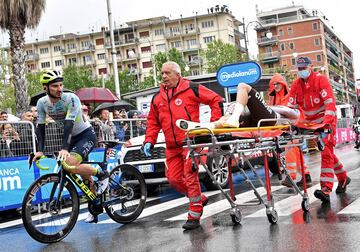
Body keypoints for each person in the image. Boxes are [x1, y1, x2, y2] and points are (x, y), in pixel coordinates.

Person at [143, 61, 224, 230]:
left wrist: (213, 125)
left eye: (167, 73)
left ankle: (194, 215)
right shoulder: (157, 98)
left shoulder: (191, 88)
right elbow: (152, 121)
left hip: (190, 142)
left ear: (177, 75)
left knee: (190, 176)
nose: (164, 76)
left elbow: (216, 100)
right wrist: (149, 140)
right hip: (172, 146)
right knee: (173, 179)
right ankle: (199, 199)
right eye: (162, 73)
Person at [34, 70, 109, 223]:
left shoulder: (71, 98)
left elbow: (69, 124)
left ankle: (102, 174)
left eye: (61, 85)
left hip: (86, 135)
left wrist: (64, 148)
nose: (59, 88)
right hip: (71, 138)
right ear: (45, 88)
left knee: (68, 164)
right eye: (55, 86)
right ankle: (94, 207)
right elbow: (40, 127)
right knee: (84, 177)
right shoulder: (42, 103)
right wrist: (40, 151)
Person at [287, 56, 350, 203]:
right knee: (327, 151)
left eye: (304, 68)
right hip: (312, 125)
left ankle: (326, 189)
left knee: (326, 151)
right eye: (299, 69)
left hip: (326, 122)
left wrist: (326, 124)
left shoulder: (321, 80)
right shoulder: (296, 85)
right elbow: (290, 106)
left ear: (310, 67)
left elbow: (330, 104)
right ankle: (343, 178)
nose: (301, 71)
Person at [268, 73, 312, 188]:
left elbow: (297, 109)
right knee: (295, 151)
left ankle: (290, 176)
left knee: (290, 149)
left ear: (282, 83)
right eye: (274, 84)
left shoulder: (291, 94)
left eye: (277, 83)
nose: (275, 86)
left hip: (294, 126)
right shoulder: (273, 97)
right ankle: (306, 175)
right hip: (283, 128)